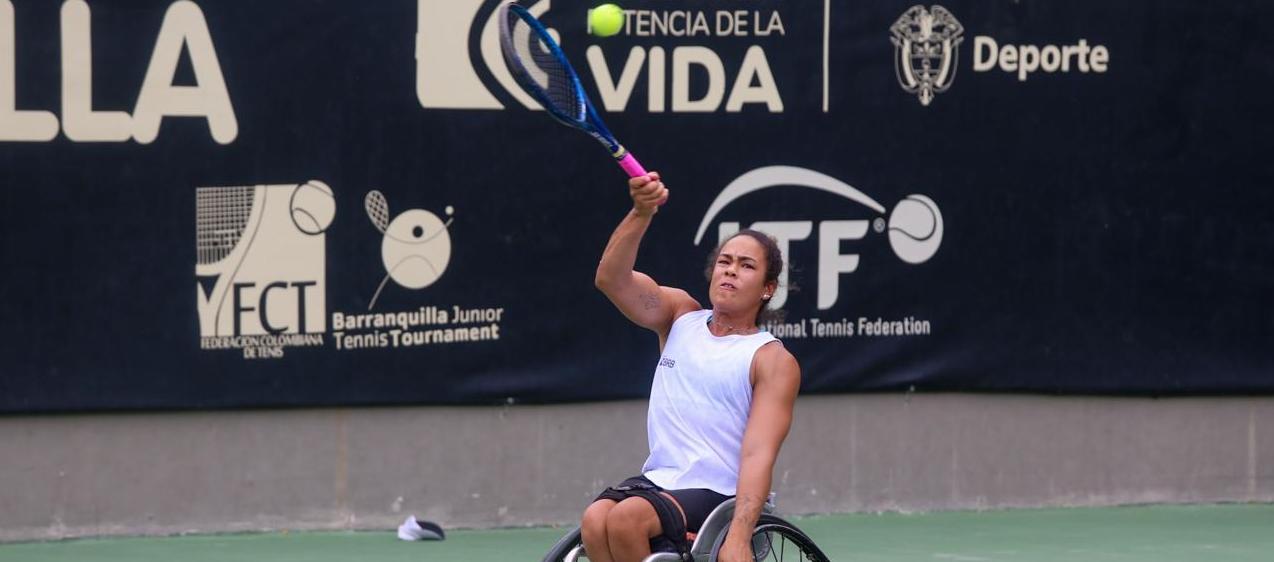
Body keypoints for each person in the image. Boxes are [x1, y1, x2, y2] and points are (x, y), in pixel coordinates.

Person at [582, 172, 802, 562]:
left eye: (746, 266)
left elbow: (758, 455)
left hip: (719, 494)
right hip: (659, 481)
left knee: (627, 520)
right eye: (725, 262)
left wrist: (739, 537)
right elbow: (611, 279)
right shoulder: (679, 317)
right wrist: (641, 212)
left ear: (768, 288)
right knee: (596, 519)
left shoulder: (771, 359)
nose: (730, 270)